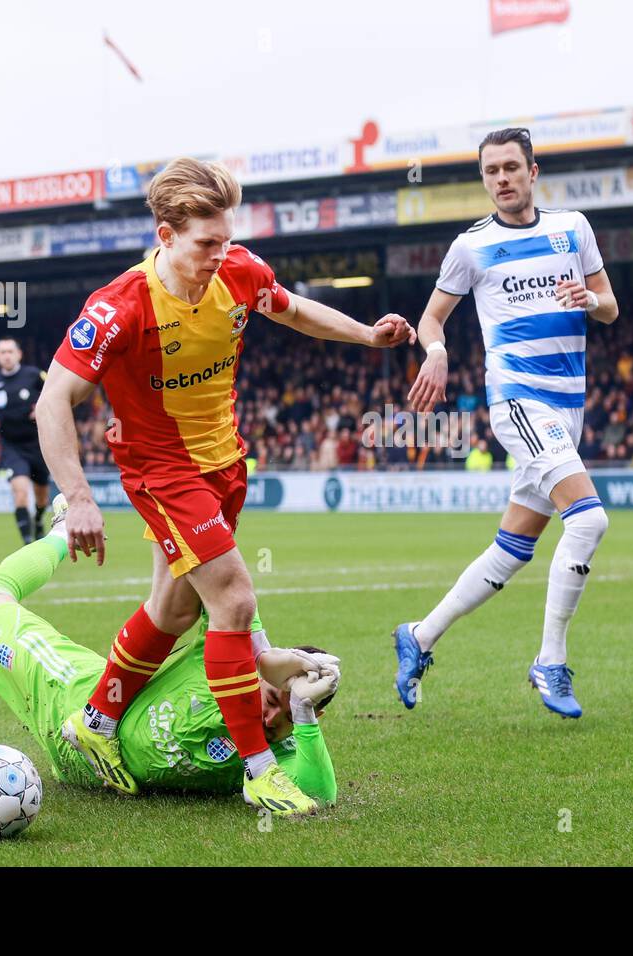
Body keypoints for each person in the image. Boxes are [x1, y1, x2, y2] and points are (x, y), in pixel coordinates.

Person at [35, 157, 412, 810]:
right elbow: (52, 402)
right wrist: (79, 497)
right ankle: (260, 770)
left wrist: (367, 336)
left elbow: (293, 312)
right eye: (205, 243)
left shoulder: (238, 272)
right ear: (165, 236)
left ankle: (93, 724)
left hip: (224, 464)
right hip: (160, 470)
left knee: (176, 609)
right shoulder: (119, 307)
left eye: (225, 240)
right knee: (234, 600)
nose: (219, 254)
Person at [396, 127, 618, 719]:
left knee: (512, 549)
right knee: (590, 521)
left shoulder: (573, 228)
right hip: (519, 401)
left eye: (511, 168)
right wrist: (436, 353)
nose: (501, 179)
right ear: (485, 178)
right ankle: (550, 660)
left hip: (568, 405)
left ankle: (419, 636)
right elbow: (432, 318)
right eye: (491, 170)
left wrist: (589, 301)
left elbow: (610, 305)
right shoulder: (470, 247)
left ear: (532, 171)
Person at [0, 497, 339, 809]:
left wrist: (302, 715)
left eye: (288, 717)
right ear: (263, 676)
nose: (271, 717)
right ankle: (61, 532)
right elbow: (210, 577)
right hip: (68, 695)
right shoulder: (231, 645)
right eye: (273, 698)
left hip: (82, 772)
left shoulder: (282, 751)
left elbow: (321, 793)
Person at [0, 338, 49, 542]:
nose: (6, 355)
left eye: (10, 351)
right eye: (2, 352)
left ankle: (38, 520)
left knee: (41, 495)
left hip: (38, 444)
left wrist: (41, 409)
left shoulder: (35, 376)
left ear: (19, 354)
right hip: (11, 446)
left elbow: (55, 394)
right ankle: (28, 542)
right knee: (20, 492)